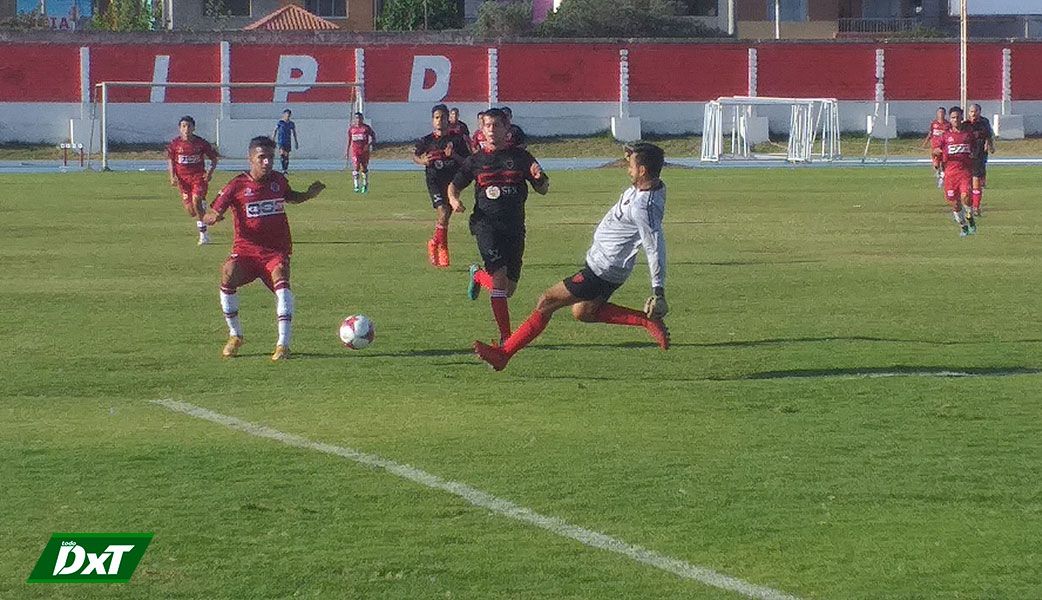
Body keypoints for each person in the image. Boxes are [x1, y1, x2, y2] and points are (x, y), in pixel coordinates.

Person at [472, 142, 670, 372]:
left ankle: (504, 354)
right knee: (584, 312)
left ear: (643, 170)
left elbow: (655, 246)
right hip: (612, 268)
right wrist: (634, 154)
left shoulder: (643, 207)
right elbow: (645, 174)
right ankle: (646, 321)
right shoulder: (652, 187)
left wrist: (658, 290)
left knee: (546, 302)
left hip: (601, 269)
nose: (628, 169)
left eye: (632, 166)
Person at [202, 136, 326, 361]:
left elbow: (291, 197)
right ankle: (235, 335)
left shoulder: (278, 180)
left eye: (270, 157)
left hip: (275, 250)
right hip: (246, 250)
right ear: (250, 159)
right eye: (262, 158)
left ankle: (283, 345)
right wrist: (212, 218)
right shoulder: (236, 185)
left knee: (282, 283)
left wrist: (308, 194)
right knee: (228, 273)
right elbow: (211, 213)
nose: (267, 162)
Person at [449, 108, 549, 344]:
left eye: (496, 126)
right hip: (486, 225)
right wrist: (454, 201)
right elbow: (454, 186)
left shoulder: (522, 158)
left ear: (507, 129)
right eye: (487, 126)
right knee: (500, 279)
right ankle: (506, 337)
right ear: (481, 131)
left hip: (514, 228)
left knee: (508, 289)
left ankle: (477, 275)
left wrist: (539, 178)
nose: (492, 130)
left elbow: (544, 189)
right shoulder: (476, 161)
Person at [413, 104, 471, 268]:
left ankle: (433, 242)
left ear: (448, 120)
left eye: (443, 117)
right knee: (444, 212)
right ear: (433, 120)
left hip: (452, 183)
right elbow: (415, 156)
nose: (440, 121)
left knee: (445, 218)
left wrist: (454, 155)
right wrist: (422, 161)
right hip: (434, 182)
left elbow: (467, 162)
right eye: (437, 117)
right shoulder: (427, 140)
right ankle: (443, 249)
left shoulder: (457, 140)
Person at [167, 116, 219, 245]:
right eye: (183, 126)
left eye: (189, 126)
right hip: (183, 181)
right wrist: (172, 176)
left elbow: (214, 159)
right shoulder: (175, 144)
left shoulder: (201, 143)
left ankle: (203, 235)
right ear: (180, 128)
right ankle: (202, 207)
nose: (186, 129)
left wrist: (210, 173)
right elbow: (171, 160)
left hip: (198, 178)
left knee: (196, 201)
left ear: (194, 128)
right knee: (191, 211)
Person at [940, 106, 978, 238]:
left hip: (964, 172)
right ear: (950, 119)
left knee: (965, 196)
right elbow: (936, 151)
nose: (956, 120)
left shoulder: (968, 135)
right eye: (953, 118)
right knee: (955, 203)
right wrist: (937, 153)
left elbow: (974, 149)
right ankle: (963, 226)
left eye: (958, 117)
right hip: (950, 174)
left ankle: (970, 215)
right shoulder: (945, 136)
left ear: (962, 118)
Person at [967, 103, 995, 216]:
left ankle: (976, 207)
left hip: (979, 156)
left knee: (977, 182)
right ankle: (968, 206)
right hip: (967, 157)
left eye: (975, 111)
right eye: (971, 111)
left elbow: (989, 135)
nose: (973, 113)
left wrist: (991, 146)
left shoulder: (984, 122)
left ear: (979, 112)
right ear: (969, 113)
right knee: (967, 184)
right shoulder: (965, 125)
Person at [346, 112, 376, 193]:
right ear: (355, 119)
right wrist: (347, 151)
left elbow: (374, 137)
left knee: (364, 168)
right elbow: (349, 140)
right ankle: (356, 186)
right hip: (355, 151)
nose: (358, 120)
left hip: (364, 152)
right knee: (356, 167)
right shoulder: (352, 129)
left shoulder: (366, 128)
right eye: (357, 118)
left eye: (360, 118)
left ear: (362, 119)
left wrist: (369, 145)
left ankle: (365, 184)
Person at [923, 106, 949, 189]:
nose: (940, 114)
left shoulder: (948, 124)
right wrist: (925, 142)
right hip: (935, 147)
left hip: (944, 147)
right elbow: (930, 133)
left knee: (944, 163)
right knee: (936, 164)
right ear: (937, 114)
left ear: (945, 114)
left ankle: (942, 178)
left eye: (942, 112)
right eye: (939, 112)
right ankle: (939, 173)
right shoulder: (934, 123)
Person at [273, 109, 299, 173]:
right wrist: (273, 139)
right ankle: (283, 169)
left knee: (286, 156)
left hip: (288, 141)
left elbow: (294, 133)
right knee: (282, 154)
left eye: (289, 115)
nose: (288, 116)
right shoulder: (280, 123)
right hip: (281, 141)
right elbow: (275, 130)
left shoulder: (291, 123)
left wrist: (296, 142)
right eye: (287, 114)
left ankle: (285, 169)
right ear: (284, 115)